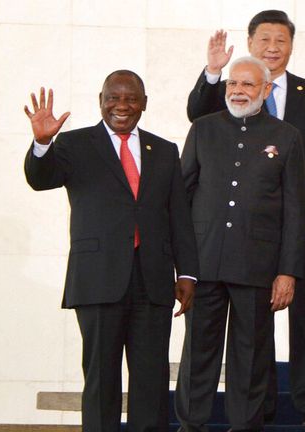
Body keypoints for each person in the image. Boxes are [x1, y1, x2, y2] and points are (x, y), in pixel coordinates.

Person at [185, 10, 305, 425]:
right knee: (205, 346)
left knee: (291, 325)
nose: (273, 48)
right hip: (213, 250)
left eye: (281, 41)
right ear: (251, 42)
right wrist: (213, 71)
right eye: (265, 40)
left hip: (286, 233)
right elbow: (197, 119)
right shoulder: (211, 117)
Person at [23, 70, 199, 432]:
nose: (122, 106)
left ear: (144, 104)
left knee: (150, 380)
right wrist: (42, 144)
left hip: (152, 280)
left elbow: (178, 216)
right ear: (100, 100)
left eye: (131, 98)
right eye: (113, 98)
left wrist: (187, 272)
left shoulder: (164, 150)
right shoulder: (73, 144)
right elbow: (41, 180)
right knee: (101, 378)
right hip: (97, 280)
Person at [174, 56, 305, 432]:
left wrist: (287, 271)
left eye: (247, 85)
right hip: (204, 262)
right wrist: (180, 263)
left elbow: (296, 211)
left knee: (250, 355)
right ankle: (191, 425)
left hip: (258, 265)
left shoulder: (287, 136)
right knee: (198, 351)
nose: (237, 91)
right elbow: (182, 197)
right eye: (233, 84)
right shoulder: (202, 129)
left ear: (265, 90)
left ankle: (244, 426)